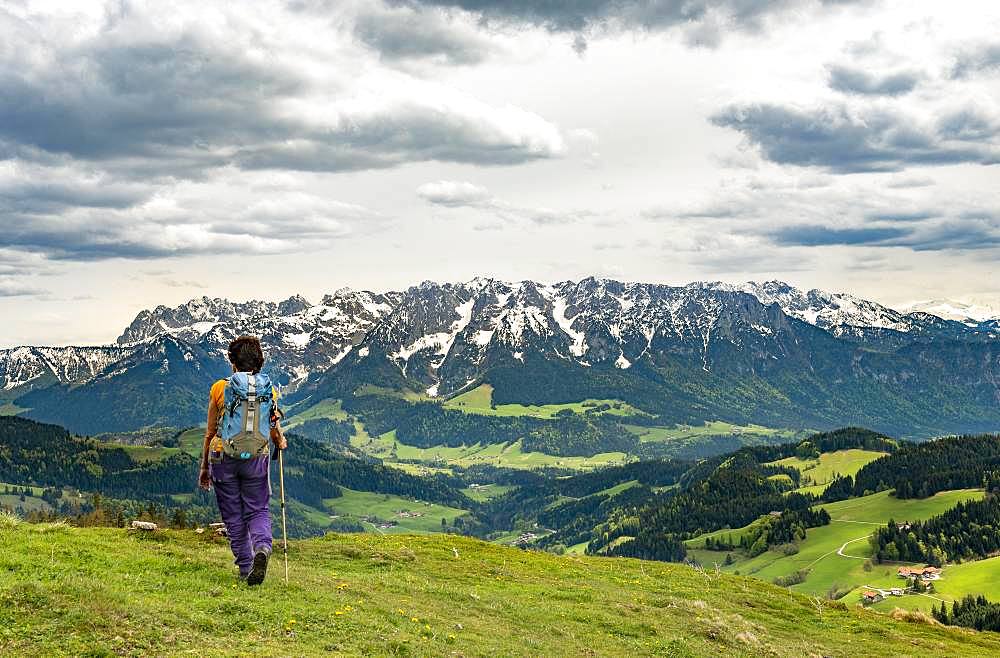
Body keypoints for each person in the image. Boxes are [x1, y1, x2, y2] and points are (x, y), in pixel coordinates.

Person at [198, 335, 287, 585]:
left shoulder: (219, 388)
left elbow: (210, 431)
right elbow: (273, 424)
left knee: (233, 516)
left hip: (222, 456)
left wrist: (205, 467)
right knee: (258, 509)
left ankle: (246, 568)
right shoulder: (268, 389)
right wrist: (279, 440)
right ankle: (262, 547)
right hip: (257, 457)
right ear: (259, 362)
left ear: (232, 362)